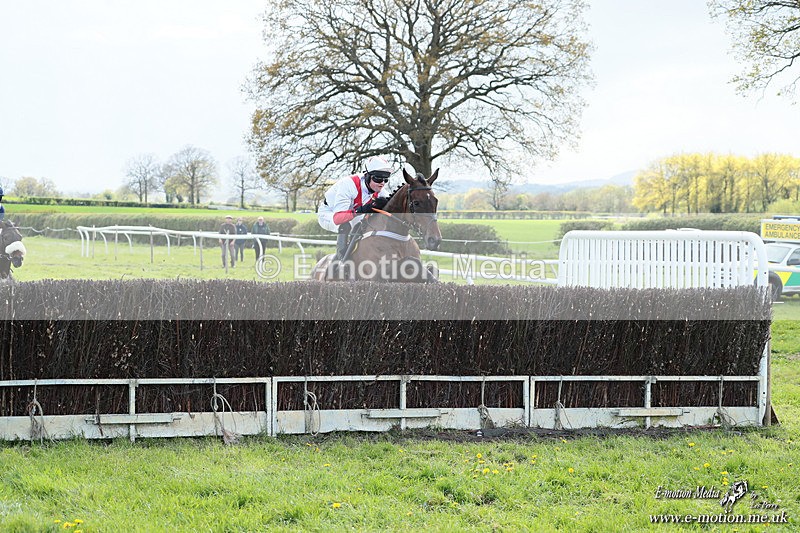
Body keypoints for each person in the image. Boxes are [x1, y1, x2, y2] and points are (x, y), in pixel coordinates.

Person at [317, 156, 392, 266]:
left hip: (351, 214)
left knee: (367, 226)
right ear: (367, 176)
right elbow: (338, 218)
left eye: (385, 179)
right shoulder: (348, 185)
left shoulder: (380, 190)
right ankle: (341, 262)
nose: (382, 183)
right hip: (329, 214)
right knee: (345, 225)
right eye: (378, 179)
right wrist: (363, 209)